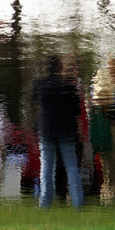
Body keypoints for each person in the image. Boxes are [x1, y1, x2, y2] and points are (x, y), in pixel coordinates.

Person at [32, 55, 84, 208]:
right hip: (67, 129)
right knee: (71, 166)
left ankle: (45, 204)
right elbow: (76, 110)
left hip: (46, 129)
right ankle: (78, 203)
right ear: (60, 67)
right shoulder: (68, 86)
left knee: (47, 167)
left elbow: (34, 105)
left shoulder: (39, 84)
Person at [91, 57, 115, 203]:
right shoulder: (102, 78)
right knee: (110, 165)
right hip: (109, 128)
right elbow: (99, 103)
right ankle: (109, 198)